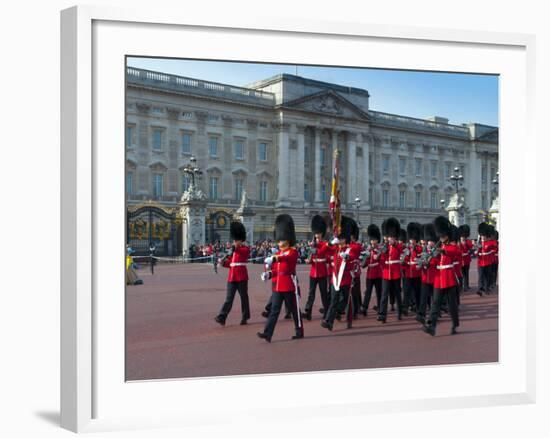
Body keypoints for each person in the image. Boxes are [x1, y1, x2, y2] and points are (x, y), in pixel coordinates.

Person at [257, 214, 304, 342]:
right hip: (278, 286)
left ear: (288, 239)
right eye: (279, 240)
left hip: (288, 285)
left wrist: (275, 258)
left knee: (294, 310)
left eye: (282, 240)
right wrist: (268, 274)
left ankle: (299, 331)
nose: (280, 242)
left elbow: (287, 259)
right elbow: (277, 271)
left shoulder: (293, 252)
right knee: (274, 311)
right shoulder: (278, 253)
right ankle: (268, 333)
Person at [422, 216, 461, 336]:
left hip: (449, 278)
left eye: (443, 236)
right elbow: (435, 261)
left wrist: (444, 251)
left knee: (452, 304)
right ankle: (432, 326)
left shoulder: (452, 246)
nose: (441, 238)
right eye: (440, 236)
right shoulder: (438, 247)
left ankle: (455, 323)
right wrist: (428, 263)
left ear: (447, 235)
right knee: (436, 303)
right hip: (439, 278)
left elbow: (455, 253)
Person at [321, 216, 356, 331]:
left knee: (345, 300)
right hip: (335, 279)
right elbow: (322, 251)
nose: (340, 240)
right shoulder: (335, 248)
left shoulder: (349, 249)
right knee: (334, 300)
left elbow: (353, 256)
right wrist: (330, 243)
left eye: (341, 238)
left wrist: (347, 256)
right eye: (339, 238)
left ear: (345, 239)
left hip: (345, 279)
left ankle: (339, 313)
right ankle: (329, 322)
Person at [214, 221, 251, 326]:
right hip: (232, 277)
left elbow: (241, 252)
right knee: (229, 298)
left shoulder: (245, 249)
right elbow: (231, 264)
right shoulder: (233, 250)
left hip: (242, 276)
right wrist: (222, 262)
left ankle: (245, 316)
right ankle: (222, 317)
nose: (235, 242)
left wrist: (234, 249)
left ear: (241, 240)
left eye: (236, 240)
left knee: (244, 297)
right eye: (234, 240)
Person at [304, 215, 330, 320]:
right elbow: (311, 257)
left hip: (322, 272)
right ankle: (308, 311)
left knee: (323, 294)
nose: (317, 235)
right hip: (313, 272)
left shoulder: (325, 244)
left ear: (322, 233)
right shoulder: (312, 244)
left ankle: (327, 311)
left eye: (318, 233)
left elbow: (327, 256)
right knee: (311, 293)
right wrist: (308, 260)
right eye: (316, 234)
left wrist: (315, 247)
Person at [378, 217, 404, 323]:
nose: (390, 239)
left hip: (396, 273)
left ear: (395, 237)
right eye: (389, 237)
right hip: (386, 274)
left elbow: (401, 251)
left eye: (392, 237)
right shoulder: (385, 246)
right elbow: (382, 261)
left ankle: (399, 312)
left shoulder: (399, 246)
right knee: (384, 295)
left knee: (397, 294)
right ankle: (382, 314)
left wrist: (395, 245)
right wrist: (380, 255)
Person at [416, 223, 438, 324]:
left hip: (434, 278)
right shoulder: (424, 250)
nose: (430, 243)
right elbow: (421, 259)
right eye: (428, 241)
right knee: (423, 297)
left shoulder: (437, 251)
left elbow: (436, 262)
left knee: (434, 299)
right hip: (425, 277)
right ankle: (421, 314)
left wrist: (428, 263)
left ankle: (434, 315)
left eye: (431, 241)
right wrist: (420, 264)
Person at [361, 224, 383, 317]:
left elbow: (383, 262)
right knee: (368, 292)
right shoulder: (368, 250)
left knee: (379, 292)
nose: (373, 242)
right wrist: (366, 257)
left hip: (378, 274)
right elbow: (364, 264)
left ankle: (380, 308)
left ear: (377, 240)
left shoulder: (380, 250)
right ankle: (365, 307)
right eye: (371, 240)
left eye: (374, 240)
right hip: (370, 275)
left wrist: (377, 259)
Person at [402, 222, 423, 315]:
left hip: (416, 273)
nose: (412, 241)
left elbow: (420, 259)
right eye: (411, 239)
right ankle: (405, 308)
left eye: (413, 239)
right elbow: (404, 259)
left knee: (417, 292)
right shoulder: (406, 249)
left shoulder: (420, 249)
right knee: (406, 292)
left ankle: (418, 308)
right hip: (407, 273)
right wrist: (403, 262)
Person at [349, 220, 363, 319]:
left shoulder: (356, 245)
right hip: (348, 269)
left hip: (355, 270)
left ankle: (356, 308)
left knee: (355, 290)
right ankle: (355, 307)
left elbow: (355, 249)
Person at [458, 225, 473, 291]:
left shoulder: (468, 241)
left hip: (466, 259)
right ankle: (461, 286)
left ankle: (466, 286)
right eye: (462, 236)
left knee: (466, 273)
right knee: (460, 274)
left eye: (464, 236)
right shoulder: (458, 242)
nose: (463, 237)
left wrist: (465, 244)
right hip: (460, 259)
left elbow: (470, 247)